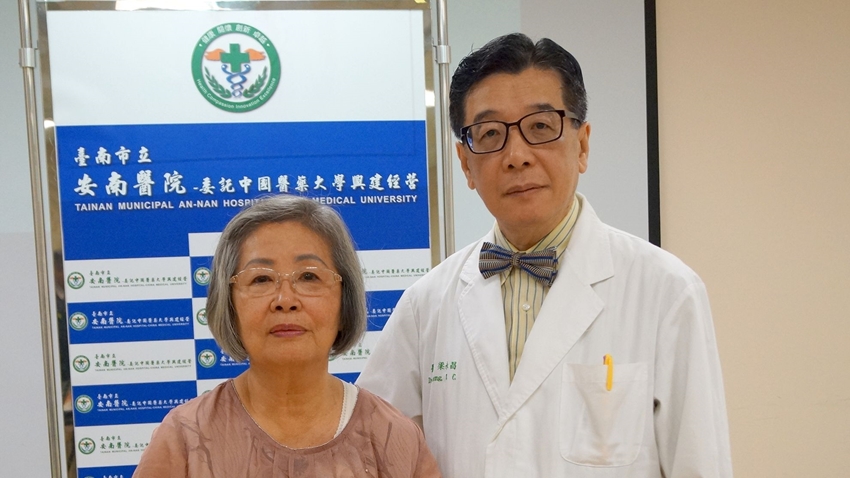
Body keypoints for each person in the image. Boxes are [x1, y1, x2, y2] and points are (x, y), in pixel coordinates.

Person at [357, 33, 733, 477]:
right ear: (465, 164)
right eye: (490, 134)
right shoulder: (427, 304)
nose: (516, 156)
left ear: (582, 145)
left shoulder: (666, 292)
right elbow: (367, 448)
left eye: (540, 127)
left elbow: (699, 463)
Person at [134, 195, 441, 477]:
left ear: (343, 300)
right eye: (261, 279)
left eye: (309, 276)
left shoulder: (393, 438)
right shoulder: (185, 439)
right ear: (229, 304)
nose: (285, 299)